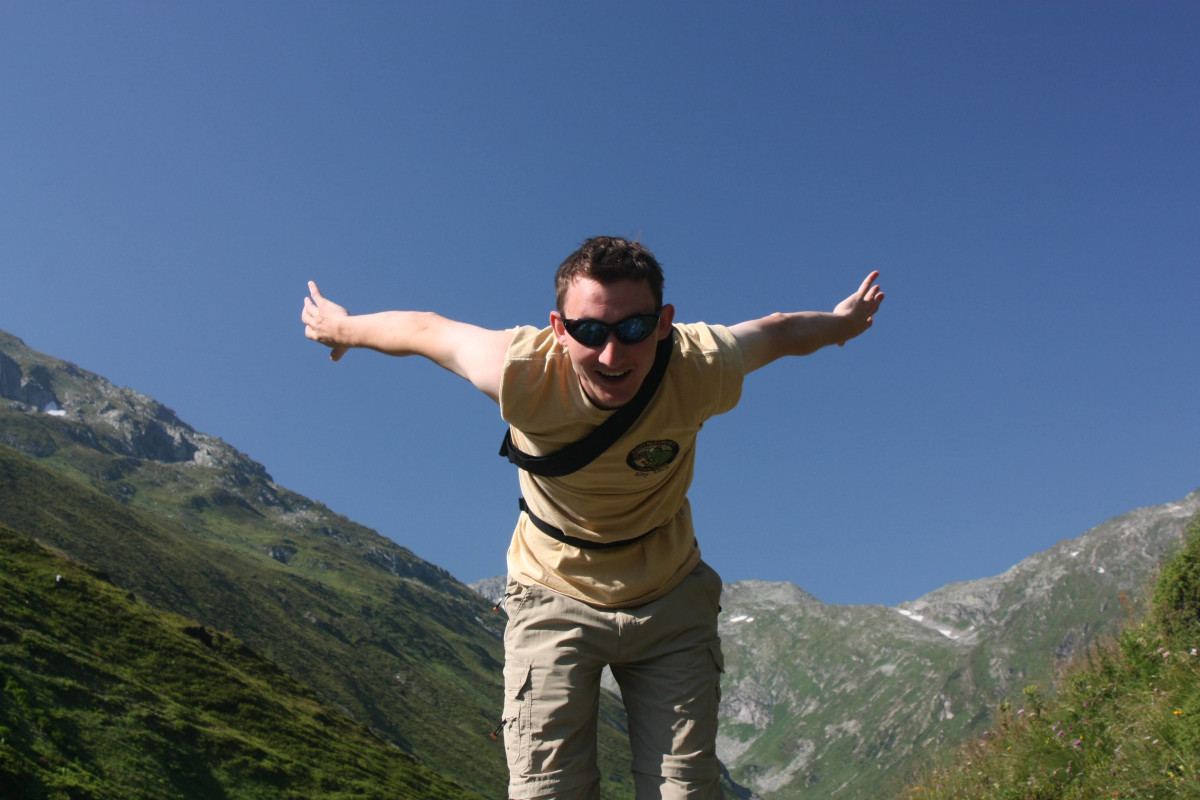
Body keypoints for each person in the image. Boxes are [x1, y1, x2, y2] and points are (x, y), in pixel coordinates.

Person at [301, 236, 884, 800]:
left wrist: (844, 326)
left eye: (633, 329)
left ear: (663, 323)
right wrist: (342, 328)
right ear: (559, 330)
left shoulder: (698, 364)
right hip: (552, 594)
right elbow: (425, 330)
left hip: (669, 597)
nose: (611, 354)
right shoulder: (523, 371)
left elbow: (779, 331)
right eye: (589, 331)